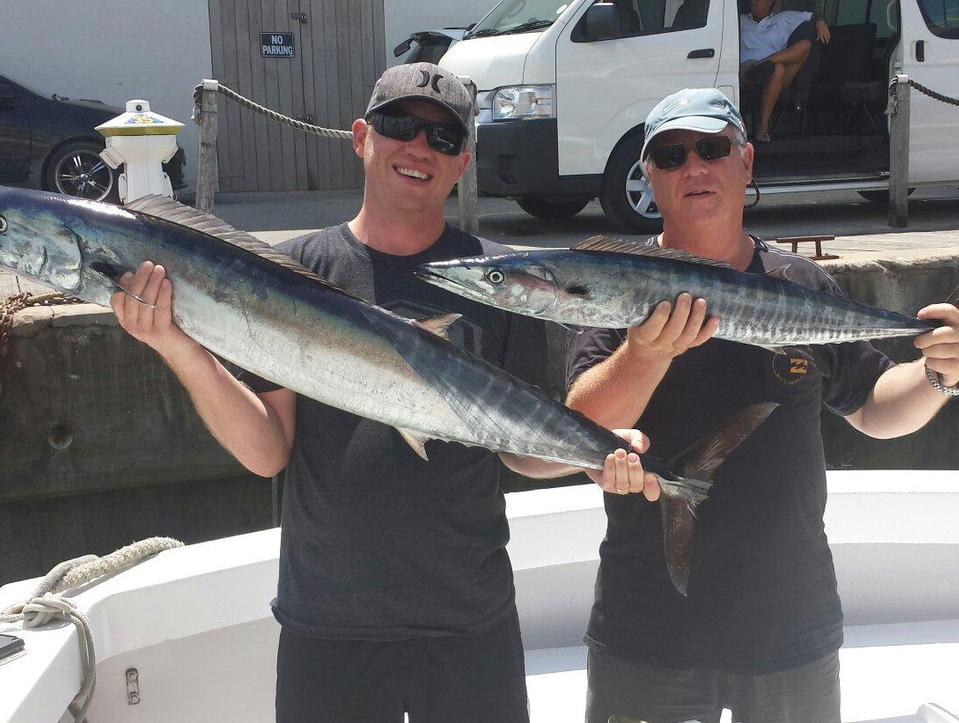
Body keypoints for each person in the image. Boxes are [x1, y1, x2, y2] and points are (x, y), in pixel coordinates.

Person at [110, 62, 653, 723]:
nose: (419, 148)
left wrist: (591, 451)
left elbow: (522, 452)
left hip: (469, 621)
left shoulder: (505, 280)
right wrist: (179, 346)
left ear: (463, 163)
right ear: (362, 136)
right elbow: (268, 451)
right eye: (401, 126)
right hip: (328, 623)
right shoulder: (295, 270)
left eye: (443, 139)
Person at [566, 88, 959, 723]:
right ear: (648, 175)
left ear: (745, 162)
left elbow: (870, 405)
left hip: (791, 623)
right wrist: (645, 355)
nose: (692, 168)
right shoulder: (618, 284)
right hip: (649, 628)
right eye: (670, 156)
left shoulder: (803, 286)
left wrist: (937, 375)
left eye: (711, 148)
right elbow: (576, 425)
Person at [739, 0, 831, 143]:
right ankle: (764, 127)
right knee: (778, 68)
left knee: (802, 48)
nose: (753, 1)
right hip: (747, 69)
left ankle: (764, 64)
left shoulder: (783, 19)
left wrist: (820, 22)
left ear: (771, 0)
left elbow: (810, 15)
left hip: (771, 74)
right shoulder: (740, 20)